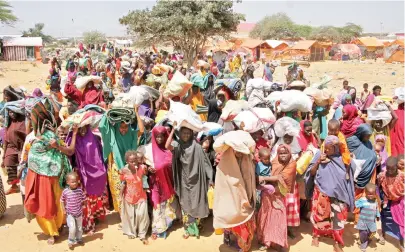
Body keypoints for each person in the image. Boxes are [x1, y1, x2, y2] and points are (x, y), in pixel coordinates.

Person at [24, 99, 73, 245]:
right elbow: (32, 156)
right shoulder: (36, 139)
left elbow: (69, 151)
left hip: (54, 175)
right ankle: (53, 231)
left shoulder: (52, 137)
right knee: (49, 203)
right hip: (43, 176)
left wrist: (57, 146)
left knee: (54, 203)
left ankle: (56, 228)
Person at [307, 135, 355, 252]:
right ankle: (316, 236)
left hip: (339, 194)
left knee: (339, 218)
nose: (326, 151)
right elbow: (311, 173)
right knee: (319, 215)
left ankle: (337, 242)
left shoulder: (343, 158)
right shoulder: (320, 154)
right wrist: (319, 161)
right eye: (325, 148)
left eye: (329, 149)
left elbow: (349, 175)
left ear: (336, 148)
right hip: (322, 192)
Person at [166, 124, 213, 239]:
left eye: (188, 133)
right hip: (183, 179)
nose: (186, 135)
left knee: (197, 202)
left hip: (197, 180)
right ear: (180, 134)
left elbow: (206, 163)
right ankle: (188, 230)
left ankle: (196, 226)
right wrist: (173, 130)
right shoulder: (178, 145)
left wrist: (210, 178)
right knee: (186, 203)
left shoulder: (196, 146)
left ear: (192, 134)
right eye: (183, 133)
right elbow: (167, 145)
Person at [213, 131, 256, 252]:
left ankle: (243, 244)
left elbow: (250, 178)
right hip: (230, 199)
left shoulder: (247, 160)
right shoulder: (224, 164)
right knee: (232, 215)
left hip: (246, 197)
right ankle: (231, 238)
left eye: (240, 150)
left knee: (244, 219)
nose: (238, 153)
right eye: (235, 150)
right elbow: (223, 185)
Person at [99, 106, 144, 213]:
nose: (124, 129)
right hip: (117, 167)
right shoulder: (113, 134)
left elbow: (141, 130)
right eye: (121, 126)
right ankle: (123, 216)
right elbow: (102, 127)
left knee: (132, 191)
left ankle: (131, 216)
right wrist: (107, 113)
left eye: (126, 126)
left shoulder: (132, 133)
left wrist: (136, 112)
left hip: (131, 167)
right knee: (118, 191)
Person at [139, 126, 180, 239]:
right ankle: (157, 229)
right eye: (157, 136)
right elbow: (140, 163)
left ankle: (168, 224)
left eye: (161, 136)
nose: (159, 139)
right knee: (157, 204)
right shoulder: (147, 150)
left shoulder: (170, 149)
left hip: (169, 183)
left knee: (168, 204)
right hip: (155, 183)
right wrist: (148, 168)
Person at [66, 125, 107, 234]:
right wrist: (74, 134)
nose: (82, 131)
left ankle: (95, 218)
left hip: (93, 175)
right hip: (79, 175)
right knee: (84, 200)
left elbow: (98, 158)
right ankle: (88, 225)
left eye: (85, 127)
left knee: (94, 197)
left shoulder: (94, 138)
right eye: (80, 128)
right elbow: (70, 152)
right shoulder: (71, 139)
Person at [257, 144, 296, 251]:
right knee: (266, 216)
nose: (282, 155)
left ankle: (279, 242)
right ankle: (266, 241)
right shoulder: (274, 161)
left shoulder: (292, 164)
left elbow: (282, 177)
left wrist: (264, 177)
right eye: (280, 153)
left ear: (289, 153)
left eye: (285, 153)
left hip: (279, 194)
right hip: (267, 194)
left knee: (279, 217)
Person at [347, 124, 378, 223]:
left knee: (364, 196)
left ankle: (359, 217)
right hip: (355, 175)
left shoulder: (368, 143)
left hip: (368, 174)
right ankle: (352, 215)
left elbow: (372, 153)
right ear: (361, 133)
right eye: (367, 135)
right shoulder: (352, 141)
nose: (368, 138)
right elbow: (345, 154)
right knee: (354, 195)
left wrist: (376, 158)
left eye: (369, 136)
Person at [119, 150, 149, 244]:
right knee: (130, 216)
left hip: (141, 195)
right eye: (131, 161)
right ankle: (131, 232)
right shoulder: (124, 171)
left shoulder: (142, 167)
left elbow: (145, 176)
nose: (134, 163)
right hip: (129, 196)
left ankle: (142, 234)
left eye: (135, 160)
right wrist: (120, 195)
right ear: (127, 162)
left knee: (142, 215)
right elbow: (123, 183)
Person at [377, 157, 404, 249]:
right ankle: (383, 235)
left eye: (392, 168)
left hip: (398, 202)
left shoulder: (402, 176)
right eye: (388, 168)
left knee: (400, 222)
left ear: (397, 167)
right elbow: (379, 187)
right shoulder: (382, 175)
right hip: (386, 201)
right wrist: (381, 199)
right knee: (384, 219)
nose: (389, 171)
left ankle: (401, 242)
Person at [1, 101, 26, 194]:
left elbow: (26, 138)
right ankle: (14, 186)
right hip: (11, 147)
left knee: (22, 168)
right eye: (9, 112)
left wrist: (22, 151)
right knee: (9, 164)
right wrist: (4, 155)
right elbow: (6, 139)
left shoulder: (22, 123)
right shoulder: (9, 123)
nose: (11, 114)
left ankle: (25, 185)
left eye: (13, 112)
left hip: (21, 148)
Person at [61, 172, 86, 250]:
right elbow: (61, 200)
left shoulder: (80, 191)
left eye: (76, 181)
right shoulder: (65, 191)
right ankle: (71, 241)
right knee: (72, 228)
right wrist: (63, 210)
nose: (74, 183)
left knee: (79, 228)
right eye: (72, 182)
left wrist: (84, 206)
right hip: (70, 214)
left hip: (79, 213)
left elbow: (84, 199)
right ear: (68, 182)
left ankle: (79, 239)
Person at [355, 183, 380, 252]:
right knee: (363, 233)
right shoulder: (362, 200)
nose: (371, 196)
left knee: (372, 232)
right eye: (369, 194)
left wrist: (378, 215)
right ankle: (363, 243)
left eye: (372, 194)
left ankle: (367, 239)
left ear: (375, 193)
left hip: (371, 221)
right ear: (365, 193)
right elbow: (355, 204)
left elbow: (376, 208)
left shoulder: (375, 201)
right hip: (363, 221)